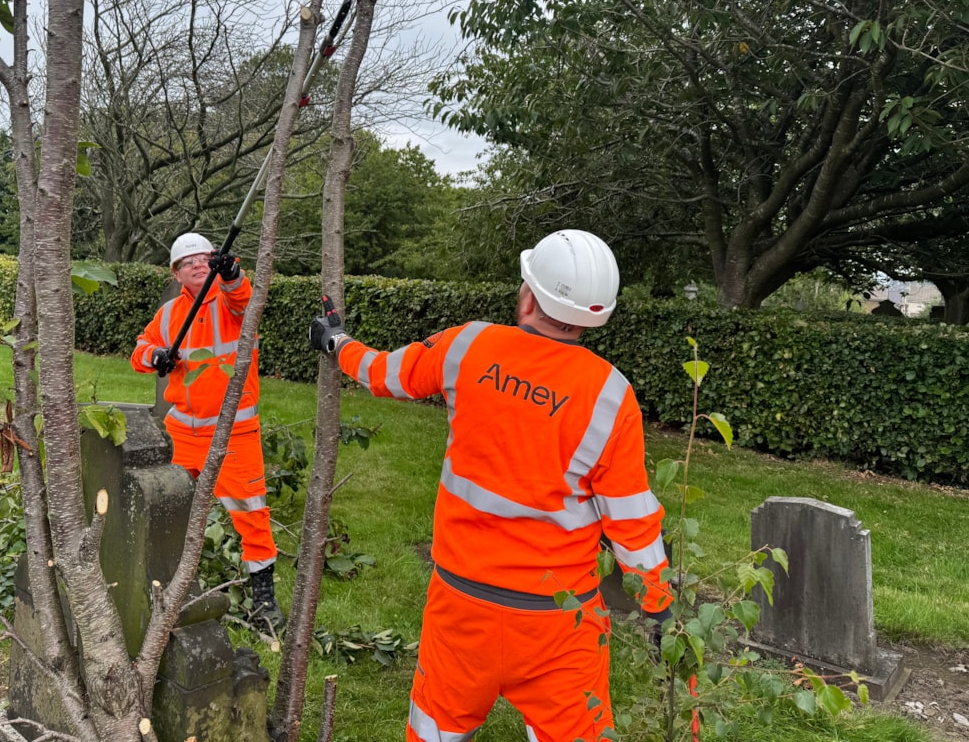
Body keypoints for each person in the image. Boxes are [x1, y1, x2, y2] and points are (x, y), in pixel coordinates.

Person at [309, 229, 672, 742]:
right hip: (559, 622)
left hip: (461, 606)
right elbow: (632, 522)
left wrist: (335, 341)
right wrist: (660, 604)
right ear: (600, 313)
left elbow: (386, 373)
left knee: (434, 730)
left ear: (528, 295)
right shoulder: (611, 394)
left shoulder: (469, 344)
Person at [133, 232, 282, 629]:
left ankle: (263, 599)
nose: (198, 265)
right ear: (176, 273)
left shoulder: (233, 303)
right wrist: (156, 356)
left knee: (250, 511)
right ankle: (168, 583)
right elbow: (139, 350)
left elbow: (244, 298)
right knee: (169, 505)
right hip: (182, 433)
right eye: (188, 262)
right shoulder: (168, 315)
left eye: (205, 259)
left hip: (234, 432)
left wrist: (232, 275)